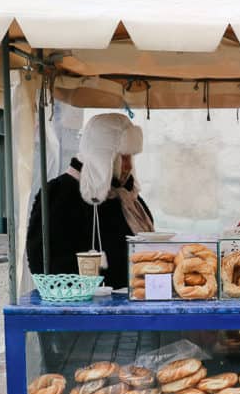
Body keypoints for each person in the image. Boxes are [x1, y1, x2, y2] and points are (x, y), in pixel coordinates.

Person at [27, 113, 154, 289]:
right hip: (84, 308)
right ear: (102, 155)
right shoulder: (60, 193)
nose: (128, 166)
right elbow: (45, 264)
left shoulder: (128, 196)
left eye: (130, 157)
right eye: (122, 157)